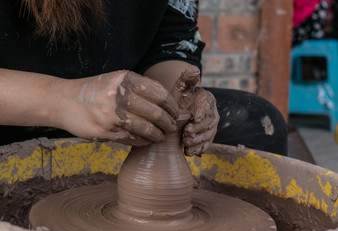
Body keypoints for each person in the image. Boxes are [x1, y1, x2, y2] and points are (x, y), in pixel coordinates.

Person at [0, 0, 287, 156]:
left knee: (255, 123)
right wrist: (61, 99)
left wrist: (181, 99)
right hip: (14, 119)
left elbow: (171, 39)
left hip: (115, 120)